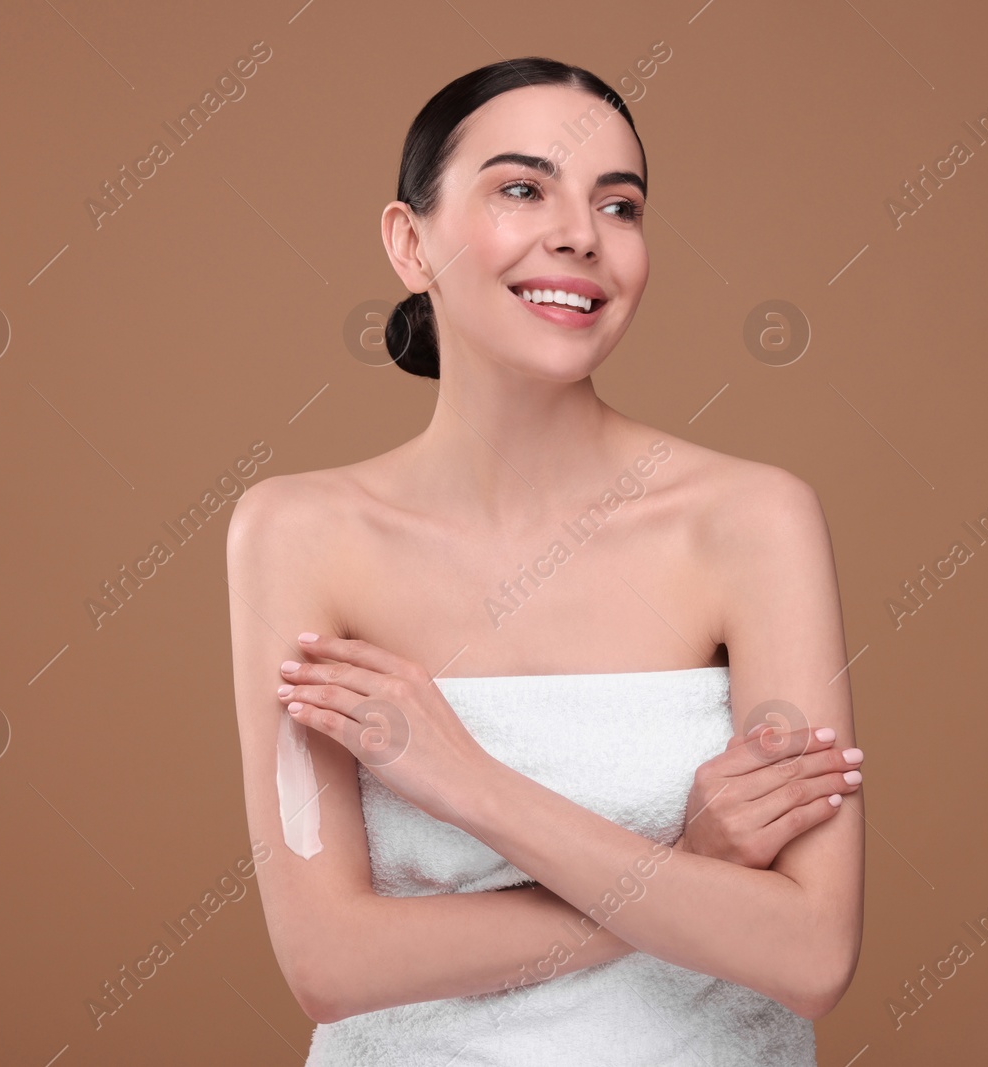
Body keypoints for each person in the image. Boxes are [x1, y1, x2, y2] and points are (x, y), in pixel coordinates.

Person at [226, 55, 864, 1066]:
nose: (579, 232)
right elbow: (331, 963)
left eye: (620, 205)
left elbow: (809, 951)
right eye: (522, 188)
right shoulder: (299, 532)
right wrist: (687, 868)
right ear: (409, 241)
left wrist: (469, 782)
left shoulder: (751, 521)